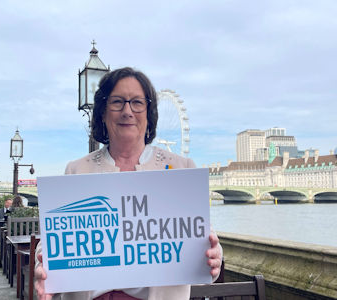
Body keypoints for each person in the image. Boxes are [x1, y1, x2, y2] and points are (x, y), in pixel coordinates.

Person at [35, 67, 223, 300]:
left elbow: (204, 240)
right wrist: (44, 269)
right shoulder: (76, 170)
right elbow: (53, 243)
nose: (127, 111)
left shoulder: (182, 168)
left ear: (149, 112)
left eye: (137, 102)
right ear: (103, 113)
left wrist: (214, 256)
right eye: (117, 102)